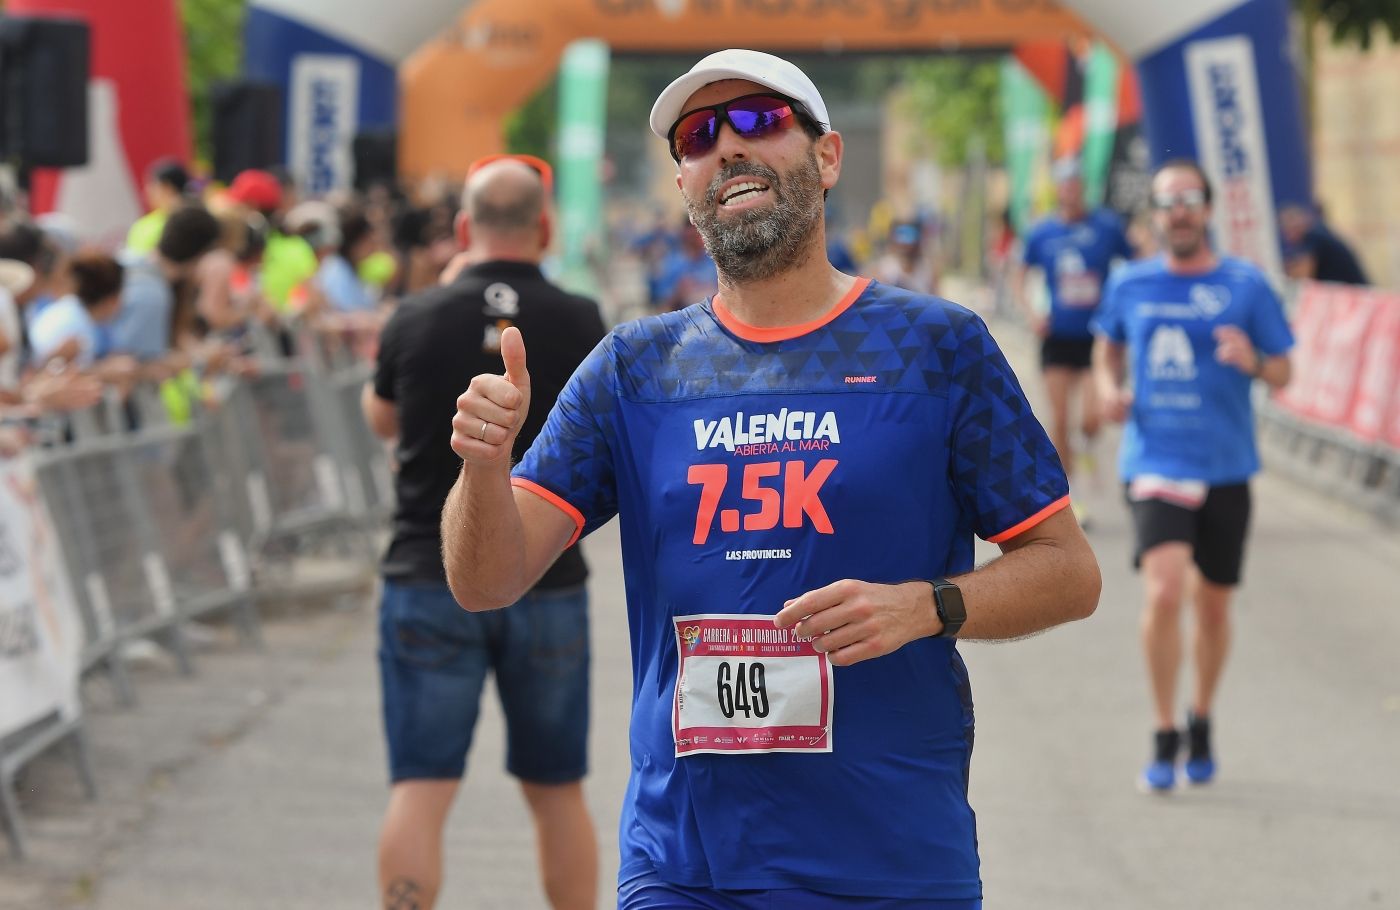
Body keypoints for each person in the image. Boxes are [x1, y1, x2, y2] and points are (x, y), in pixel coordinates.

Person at [442, 49, 1100, 908]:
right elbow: (485, 579)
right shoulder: (635, 368)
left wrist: (926, 606)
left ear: (826, 157)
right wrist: (482, 470)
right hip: (685, 865)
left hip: (890, 860)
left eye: (759, 120)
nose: (726, 148)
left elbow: (1069, 570)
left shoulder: (935, 347)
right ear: (683, 185)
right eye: (698, 136)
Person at [363, 155, 604, 910]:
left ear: (464, 228)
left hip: (425, 575)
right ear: (546, 227)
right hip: (548, 577)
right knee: (558, 791)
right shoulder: (580, 318)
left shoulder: (414, 315)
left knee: (421, 788)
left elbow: (383, 419)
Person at [1091, 159, 1294, 793]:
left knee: (1212, 607)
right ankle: (1163, 730)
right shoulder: (1133, 284)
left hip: (1227, 466)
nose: (1178, 211)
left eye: (1189, 200)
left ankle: (1200, 714)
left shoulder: (1246, 285)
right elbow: (1109, 346)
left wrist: (1253, 361)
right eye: (1166, 201)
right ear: (1153, 213)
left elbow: (1285, 371)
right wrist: (1109, 388)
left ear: (1206, 210)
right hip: (1156, 459)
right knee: (1165, 591)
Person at [1015, 157, 1134, 526]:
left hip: (1096, 338)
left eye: (1076, 183)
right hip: (1057, 338)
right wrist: (1033, 314)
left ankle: (1089, 449)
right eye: (1064, 184)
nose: (1071, 190)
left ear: (1083, 188)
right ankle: (1073, 497)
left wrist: (1122, 313)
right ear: (1058, 189)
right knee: (1061, 419)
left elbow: (1134, 266)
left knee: (1091, 419)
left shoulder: (1106, 227)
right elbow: (1020, 275)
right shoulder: (1042, 232)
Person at [1278, 202, 1369, 285]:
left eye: (1287, 230)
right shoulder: (1318, 233)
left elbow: (1303, 275)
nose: (1287, 237)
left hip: (1355, 294)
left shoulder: (1313, 235)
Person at [126, 157, 190, 255]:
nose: (147, 191)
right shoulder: (143, 225)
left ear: (167, 187)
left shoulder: (144, 227)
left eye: (151, 185)